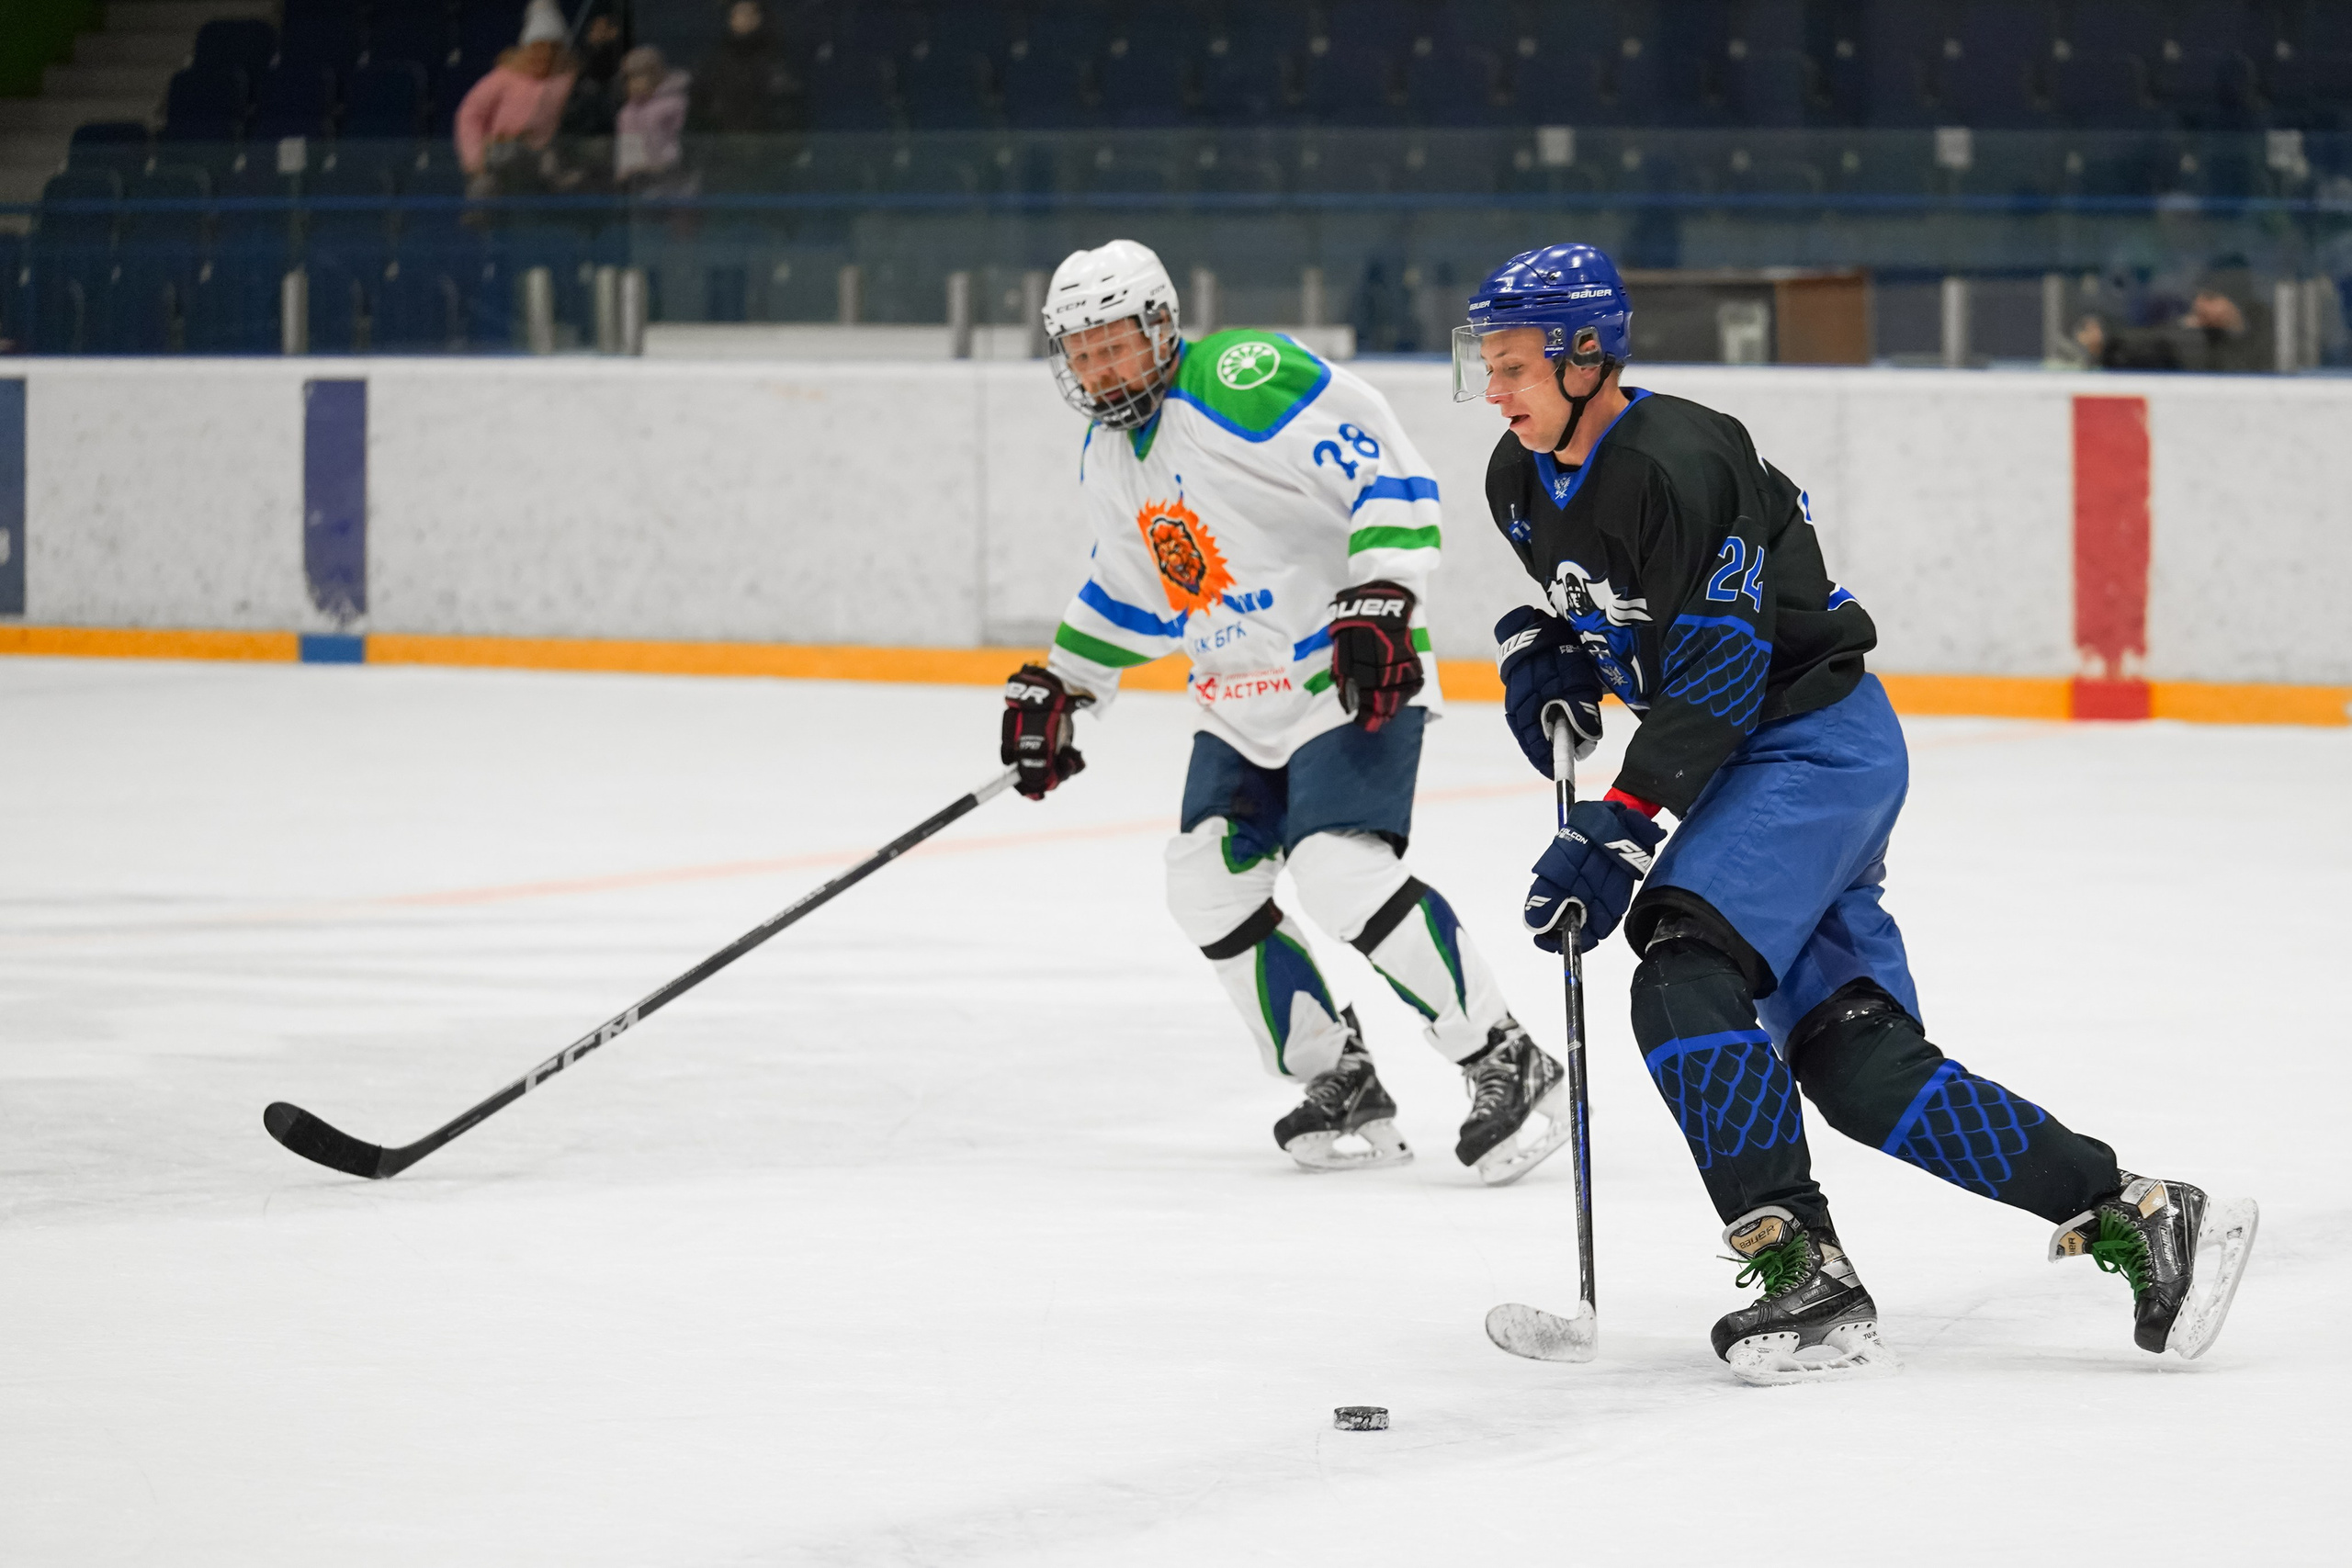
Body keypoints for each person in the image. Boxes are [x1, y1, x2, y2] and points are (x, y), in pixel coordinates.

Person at [1456, 243, 2259, 1383]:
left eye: (1516, 368)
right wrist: (1551, 655)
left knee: (1682, 968)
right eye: (1483, 368)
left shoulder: (1687, 454)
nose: (1495, 392)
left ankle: (1809, 1281)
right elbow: (1624, 621)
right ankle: (2139, 1213)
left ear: (1590, 356)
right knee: (1855, 1067)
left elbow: (1726, 671)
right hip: (1746, 760)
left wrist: (1622, 825)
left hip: (1809, 744)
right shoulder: (1517, 478)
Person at [1000, 239, 1569, 1183]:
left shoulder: (1236, 377)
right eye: (1083, 352)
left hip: (1344, 671)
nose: (1101, 369)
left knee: (1337, 870)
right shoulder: (1107, 455)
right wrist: (1064, 685)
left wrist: (1384, 591)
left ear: (1159, 329)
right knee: (1205, 881)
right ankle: (1339, 1074)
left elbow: (1383, 467)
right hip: (1234, 696)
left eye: (1115, 345)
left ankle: (1501, 1053)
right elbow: (1134, 592)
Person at [454, 0, 580, 198]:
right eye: (537, 49)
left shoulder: (567, 78)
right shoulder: (505, 76)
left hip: (547, 157)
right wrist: (475, 163)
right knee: (487, 186)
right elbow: (470, 113)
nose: (544, 56)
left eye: (551, 50)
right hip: (503, 154)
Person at [691, 0, 804, 134]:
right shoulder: (712, 66)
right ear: (730, 18)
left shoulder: (777, 64)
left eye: (752, 13)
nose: (746, 18)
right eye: (739, 13)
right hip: (722, 144)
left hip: (766, 144)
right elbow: (701, 111)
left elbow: (787, 112)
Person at [614, 46, 694, 195]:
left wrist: (664, 165)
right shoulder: (626, 113)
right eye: (630, 78)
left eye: (640, 75)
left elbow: (684, 141)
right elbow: (627, 146)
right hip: (638, 180)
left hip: (672, 178)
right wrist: (625, 170)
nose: (634, 83)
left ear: (656, 75)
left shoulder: (675, 104)